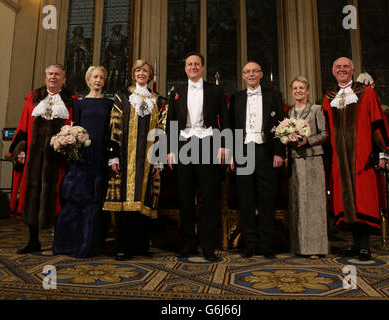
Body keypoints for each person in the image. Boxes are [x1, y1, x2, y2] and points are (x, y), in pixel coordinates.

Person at [322, 57, 389, 261]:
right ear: (333, 72)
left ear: (353, 70)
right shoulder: (328, 98)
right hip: (339, 161)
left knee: (363, 200)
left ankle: (364, 247)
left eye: (346, 66)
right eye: (338, 67)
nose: (342, 69)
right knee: (347, 203)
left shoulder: (367, 93)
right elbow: (326, 132)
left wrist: (382, 152)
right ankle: (355, 245)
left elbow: (377, 121)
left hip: (362, 158)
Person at [166, 52, 230, 262]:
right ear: (185, 68)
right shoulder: (176, 92)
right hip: (184, 144)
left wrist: (225, 146)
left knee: (209, 197)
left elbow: (225, 119)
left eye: (197, 64)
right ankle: (188, 244)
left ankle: (208, 246)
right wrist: (170, 149)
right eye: (189, 64)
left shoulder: (216, 90)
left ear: (202, 67)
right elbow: (171, 124)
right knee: (185, 197)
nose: (193, 67)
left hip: (209, 143)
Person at [8, 64, 77, 254]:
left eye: (57, 74)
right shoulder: (33, 99)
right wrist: (20, 150)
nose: (53, 77)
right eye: (50, 74)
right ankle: (33, 241)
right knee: (32, 198)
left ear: (64, 79)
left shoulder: (71, 101)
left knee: (58, 200)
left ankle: (59, 241)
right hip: (34, 160)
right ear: (45, 77)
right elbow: (23, 125)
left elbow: (75, 127)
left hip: (58, 161)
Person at [103, 59, 166, 261]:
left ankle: (141, 245)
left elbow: (161, 130)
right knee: (125, 202)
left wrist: (158, 159)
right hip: (125, 156)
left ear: (150, 75)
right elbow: (114, 125)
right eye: (138, 70)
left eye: (145, 71)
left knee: (144, 201)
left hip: (147, 159)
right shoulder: (122, 97)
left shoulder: (157, 99)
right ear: (133, 73)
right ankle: (122, 247)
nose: (141, 73)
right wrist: (113, 155)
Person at [52, 66, 112, 258]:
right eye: (95, 77)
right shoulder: (79, 104)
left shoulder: (109, 104)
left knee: (95, 200)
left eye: (101, 77)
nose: (98, 80)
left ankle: (90, 244)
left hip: (100, 157)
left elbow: (111, 132)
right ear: (88, 80)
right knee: (76, 198)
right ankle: (68, 243)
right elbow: (74, 126)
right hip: (81, 157)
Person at [228, 61, 285, 259]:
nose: (251, 74)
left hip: (266, 151)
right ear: (243, 76)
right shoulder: (236, 97)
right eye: (247, 72)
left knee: (267, 199)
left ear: (261, 74)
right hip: (243, 150)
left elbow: (281, 125)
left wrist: (280, 152)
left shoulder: (274, 95)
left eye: (254, 71)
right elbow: (231, 127)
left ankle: (265, 244)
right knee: (246, 198)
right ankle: (250, 244)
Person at [287, 76, 328, 259]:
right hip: (296, 160)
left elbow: (325, 134)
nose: (298, 91)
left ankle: (316, 248)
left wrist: (307, 141)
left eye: (301, 88)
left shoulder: (316, 110)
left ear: (308, 90)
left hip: (313, 160)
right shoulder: (289, 113)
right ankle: (299, 247)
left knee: (315, 203)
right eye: (295, 88)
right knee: (298, 203)